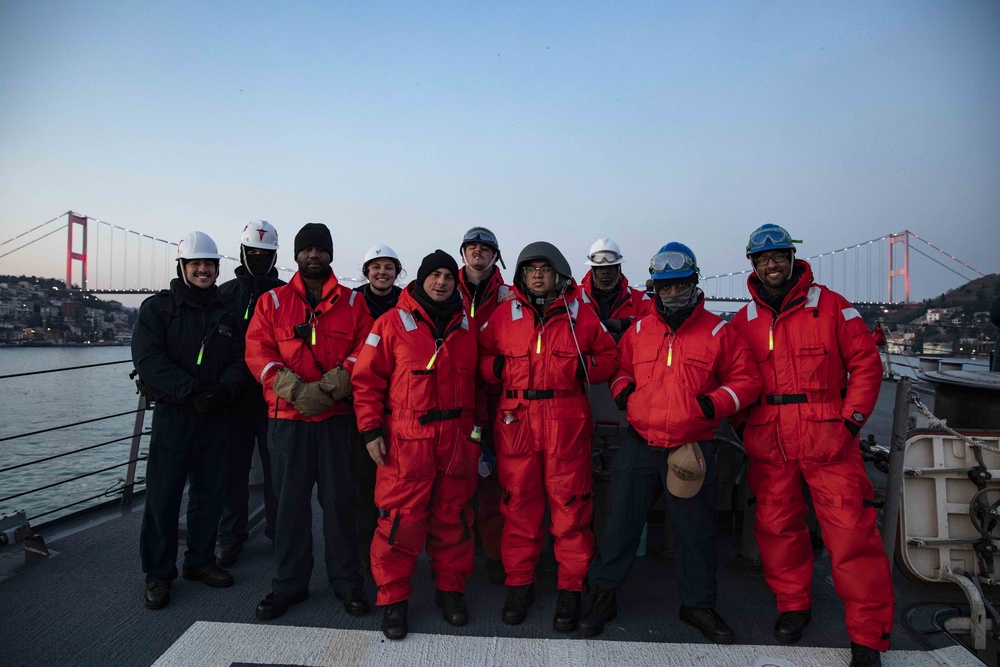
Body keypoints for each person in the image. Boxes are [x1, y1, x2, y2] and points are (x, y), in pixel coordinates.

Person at [578, 242, 761, 643]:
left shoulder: (718, 332)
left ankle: (698, 605)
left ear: (694, 284)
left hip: (690, 447)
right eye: (664, 287)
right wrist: (625, 392)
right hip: (640, 442)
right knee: (619, 526)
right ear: (655, 289)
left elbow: (747, 381)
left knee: (696, 533)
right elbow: (621, 368)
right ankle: (603, 596)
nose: (672, 294)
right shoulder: (640, 330)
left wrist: (712, 404)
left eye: (680, 285)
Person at [729, 224, 893, 667]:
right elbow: (734, 379)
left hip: (829, 437)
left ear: (793, 258)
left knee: (852, 537)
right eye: (763, 259)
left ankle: (867, 636)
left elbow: (866, 366)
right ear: (753, 265)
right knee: (777, 528)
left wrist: (849, 424)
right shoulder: (742, 322)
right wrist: (746, 428)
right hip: (770, 439)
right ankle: (792, 605)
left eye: (779, 255)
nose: (772, 264)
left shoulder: (834, 307)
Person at [478, 241, 618, 631]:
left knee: (571, 509)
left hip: (565, 421)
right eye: (531, 269)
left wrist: (581, 368)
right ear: (522, 275)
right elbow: (480, 358)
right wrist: (498, 367)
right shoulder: (503, 315)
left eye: (545, 268)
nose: (537, 274)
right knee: (518, 508)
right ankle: (519, 584)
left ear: (558, 274)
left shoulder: (581, 315)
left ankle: (571, 588)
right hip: (516, 423)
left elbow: (609, 358)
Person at [245, 223, 373, 621]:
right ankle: (289, 583)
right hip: (288, 421)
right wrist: (298, 391)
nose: (314, 255)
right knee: (289, 508)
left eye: (321, 249)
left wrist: (332, 387)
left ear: (330, 255)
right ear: (296, 255)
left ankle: (347, 582)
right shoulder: (271, 301)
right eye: (307, 249)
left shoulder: (355, 304)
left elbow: (364, 351)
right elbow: (257, 353)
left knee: (340, 505)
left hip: (336, 422)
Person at [352, 250, 480, 640]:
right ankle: (393, 600)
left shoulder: (467, 326)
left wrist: (477, 437)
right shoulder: (390, 323)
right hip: (406, 443)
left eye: (447, 276)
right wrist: (371, 431)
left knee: (453, 518)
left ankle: (450, 589)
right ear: (421, 280)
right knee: (399, 524)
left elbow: (480, 391)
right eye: (434, 275)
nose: (441, 282)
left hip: (457, 440)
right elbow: (366, 380)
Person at [131, 231, 247, 610]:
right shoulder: (157, 309)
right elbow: (148, 359)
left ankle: (199, 561)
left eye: (209, 264)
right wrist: (191, 391)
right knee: (163, 497)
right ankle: (158, 574)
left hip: (216, 415)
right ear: (182, 267)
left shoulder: (228, 311)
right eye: (196, 263)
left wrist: (224, 391)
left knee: (210, 494)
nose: (203, 270)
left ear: (217, 267)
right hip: (174, 416)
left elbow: (241, 359)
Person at [215, 220, 283, 567]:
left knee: (278, 474)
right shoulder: (223, 295)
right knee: (233, 472)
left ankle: (279, 534)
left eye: (264, 253)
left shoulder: (287, 295)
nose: (258, 257)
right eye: (253, 252)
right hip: (234, 399)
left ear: (274, 254)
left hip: (275, 397)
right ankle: (230, 537)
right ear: (242, 252)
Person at [456, 226, 510, 585]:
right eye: (472, 247)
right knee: (453, 488)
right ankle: (452, 560)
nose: (478, 252)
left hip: (495, 403)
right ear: (463, 253)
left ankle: (492, 554)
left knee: (494, 488)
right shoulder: (440, 286)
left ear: (495, 256)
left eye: (485, 248)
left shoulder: (510, 296)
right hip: (454, 400)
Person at [351, 244, 404, 574]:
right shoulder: (352, 302)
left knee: (395, 485)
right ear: (366, 271)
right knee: (360, 482)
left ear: (397, 272)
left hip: (399, 408)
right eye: (376, 267)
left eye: (388, 267)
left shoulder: (407, 304)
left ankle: (393, 551)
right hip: (362, 402)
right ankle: (362, 551)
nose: (382, 273)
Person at [580, 238, 651, 342]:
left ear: (618, 267)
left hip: (627, 356)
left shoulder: (639, 299)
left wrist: (624, 323)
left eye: (610, 267)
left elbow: (657, 320)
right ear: (593, 269)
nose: (605, 271)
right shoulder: (576, 297)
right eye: (600, 268)